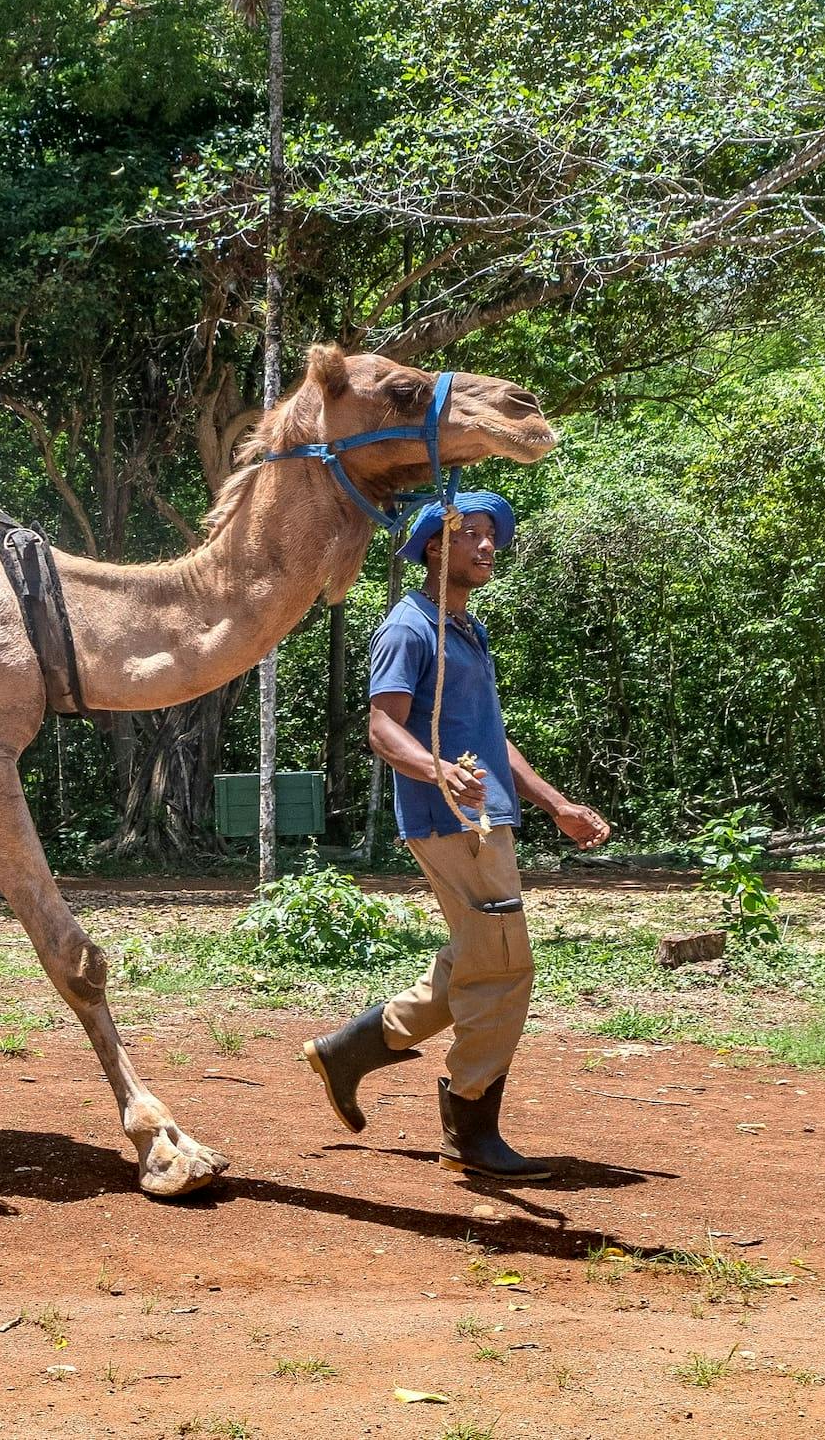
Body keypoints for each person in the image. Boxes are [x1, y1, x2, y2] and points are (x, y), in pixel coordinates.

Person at [311, 488, 608, 1182]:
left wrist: (556, 804)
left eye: (491, 538)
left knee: (476, 959)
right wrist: (440, 772)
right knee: (504, 969)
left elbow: (494, 742)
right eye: (470, 535)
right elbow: (382, 728)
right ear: (434, 547)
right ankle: (470, 1123)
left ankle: (352, 1049)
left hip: (486, 817)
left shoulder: (465, 630)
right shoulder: (409, 628)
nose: (486, 547)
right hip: (452, 821)